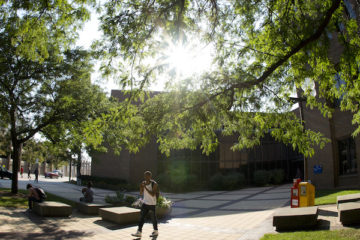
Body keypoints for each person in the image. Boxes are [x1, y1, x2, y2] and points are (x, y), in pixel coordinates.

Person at [132, 171, 158, 238]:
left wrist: (145, 187)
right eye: (145, 176)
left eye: (147, 176)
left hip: (152, 204)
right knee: (142, 218)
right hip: (145, 203)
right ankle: (139, 232)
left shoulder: (154, 184)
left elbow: (153, 194)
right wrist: (141, 187)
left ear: (150, 176)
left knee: (153, 218)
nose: (145, 177)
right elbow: (141, 193)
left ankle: (155, 231)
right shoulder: (143, 183)